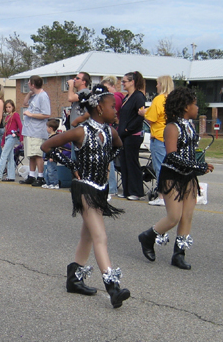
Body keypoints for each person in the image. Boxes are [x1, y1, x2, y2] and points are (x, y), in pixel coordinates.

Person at [41, 84, 130, 309]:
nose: (116, 110)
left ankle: (74, 278)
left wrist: (108, 159)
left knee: (88, 236)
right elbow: (47, 146)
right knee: (100, 236)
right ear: (99, 108)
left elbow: (120, 147)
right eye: (113, 106)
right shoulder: (81, 131)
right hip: (84, 188)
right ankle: (113, 288)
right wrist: (72, 164)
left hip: (100, 189)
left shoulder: (110, 132)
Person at [138, 87, 213, 270]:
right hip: (172, 175)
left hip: (188, 176)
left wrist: (197, 165)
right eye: (195, 104)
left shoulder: (190, 126)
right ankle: (147, 237)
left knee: (187, 216)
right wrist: (198, 166)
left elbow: (189, 151)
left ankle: (179, 254)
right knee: (174, 216)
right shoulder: (171, 127)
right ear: (185, 106)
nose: (197, 108)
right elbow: (171, 155)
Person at [144, 75, 174, 207]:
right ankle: (172, 193)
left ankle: (162, 196)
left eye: (157, 83)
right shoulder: (174, 100)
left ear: (162, 84)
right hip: (172, 137)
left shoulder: (159, 99)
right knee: (171, 167)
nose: (156, 86)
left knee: (160, 167)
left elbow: (151, 118)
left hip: (159, 136)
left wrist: (143, 114)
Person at [117, 71, 147, 200]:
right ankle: (127, 190)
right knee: (123, 162)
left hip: (133, 135)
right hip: (123, 134)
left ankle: (136, 191)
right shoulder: (127, 97)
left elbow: (140, 116)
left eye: (124, 81)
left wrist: (128, 128)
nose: (122, 84)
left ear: (132, 82)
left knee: (132, 162)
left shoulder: (138, 97)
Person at [21, 75, 51, 186]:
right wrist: (29, 93)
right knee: (31, 154)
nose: (28, 84)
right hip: (29, 130)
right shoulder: (35, 96)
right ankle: (31, 175)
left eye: (29, 83)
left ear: (33, 84)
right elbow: (24, 103)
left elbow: (46, 114)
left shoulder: (43, 96)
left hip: (37, 131)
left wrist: (31, 114)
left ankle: (40, 176)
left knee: (37, 154)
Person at [0, 100, 21, 181]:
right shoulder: (7, 117)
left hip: (12, 136)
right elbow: (5, 130)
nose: (8, 109)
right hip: (7, 136)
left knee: (4, 155)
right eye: (6, 107)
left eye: (9, 107)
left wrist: (21, 137)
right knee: (10, 157)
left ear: (13, 107)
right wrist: (3, 141)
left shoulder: (15, 115)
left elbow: (20, 126)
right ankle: (11, 176)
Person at [42, 118, 61, 189]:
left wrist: (53, 157)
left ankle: (54, 183)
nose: (46, 129)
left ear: (50, 128)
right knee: (47, 171)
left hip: (52, 157)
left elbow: (55, 148)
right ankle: (48, 182)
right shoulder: (50, 137)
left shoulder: (54, 137)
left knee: (52, 171)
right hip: (48, 157)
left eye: (47, 127)